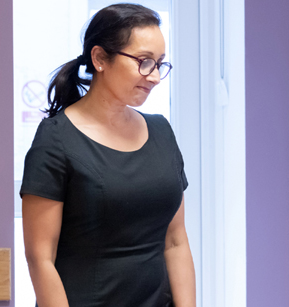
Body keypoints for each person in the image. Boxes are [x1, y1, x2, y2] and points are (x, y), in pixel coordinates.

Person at [20, 4, 195, 307]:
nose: (154, 77)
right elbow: (40, 258)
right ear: (100, 58)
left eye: (160, 64)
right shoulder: (56, 139)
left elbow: (176, 240)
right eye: (144, 62)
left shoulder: (162, 132)